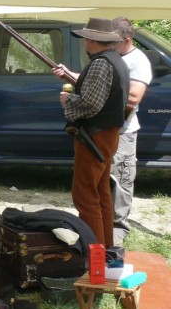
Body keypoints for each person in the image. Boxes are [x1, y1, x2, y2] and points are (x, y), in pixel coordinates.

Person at [52, 17, 129, 248]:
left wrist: (67, 100)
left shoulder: (100, 63)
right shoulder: (115, 60)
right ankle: (104, 248)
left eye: (87, 37)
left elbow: (90, 104)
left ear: (92, 40)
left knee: (85, 196)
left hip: (95, 136)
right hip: (106, 134)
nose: (85, 41)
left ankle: (93, 251)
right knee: (101, 193)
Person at [110, 17, 152, 247]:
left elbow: (133, 97)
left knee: (120, 182)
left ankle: (118, 230)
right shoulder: (115, 56)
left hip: (123, 132)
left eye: (114, 42)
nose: (110, 45)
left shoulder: (138, 61)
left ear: (127, 40)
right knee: (105, 180)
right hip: (107, 130)